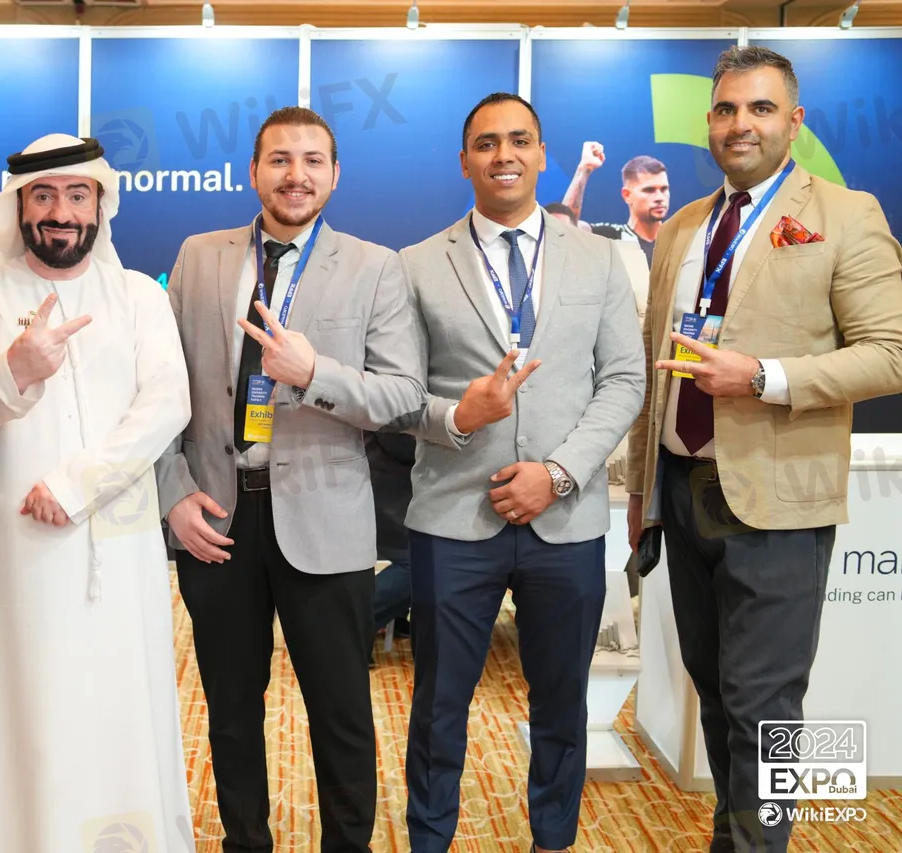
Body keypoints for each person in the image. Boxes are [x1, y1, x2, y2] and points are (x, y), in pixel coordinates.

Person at [626, 46, 902, 853]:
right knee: (716, 694)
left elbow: (890, 352)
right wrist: (644, 494)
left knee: (764, 704)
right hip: (684, 489)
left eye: (759, 108)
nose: (739, 124)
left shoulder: (846, 213)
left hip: (777, 500)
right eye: (725, 109)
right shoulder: (683, 226)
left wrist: (764, 377)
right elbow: (653, 366)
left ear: (795, 121)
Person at [154, 106, 426, 853]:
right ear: (253, 172)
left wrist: (313, 375)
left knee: (341, 712)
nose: (295, 175)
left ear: (335, 175)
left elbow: (404, 395)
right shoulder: (199, 257)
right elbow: (160, 388)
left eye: (312, 161)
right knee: (230, 707)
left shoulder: (374, 267)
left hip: (325, 520)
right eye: (279, 159)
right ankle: (246, 841)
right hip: (216, 517)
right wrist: (172, 491)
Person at [0, 134, 194, 853]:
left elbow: (167, 403)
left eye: (78, 195)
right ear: (19, 208)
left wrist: (76, 485)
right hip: (14, 554)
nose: (61, 212)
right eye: (43, 196)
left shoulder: (139, 296)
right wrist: (15, 370)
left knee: (118, 706)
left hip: (118, 546)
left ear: (99, 206)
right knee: (24, 704)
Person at [398, 92, 645, 853]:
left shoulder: (598, 256)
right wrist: (459, 416)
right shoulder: (416, 264)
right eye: (486, 143)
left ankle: (553, 840)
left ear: (541, 154)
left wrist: (560, 473)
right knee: (439, 707)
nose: (503, 155)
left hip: (565, 522)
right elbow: (400, 395)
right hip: (453, 520)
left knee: (563, 705)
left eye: (519, 141)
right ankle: (430, 840)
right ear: (464, 160)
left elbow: (624, 380)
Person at [563, 142, 670, 266]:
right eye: (649, 190)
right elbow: (564, 229)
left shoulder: (680, 242)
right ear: (627, 195)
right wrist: (584, 168)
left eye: (664, 189)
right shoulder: (611, 239)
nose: (659, 197)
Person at [366, 430, 415, 656]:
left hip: (396, 486)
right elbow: (401, 443)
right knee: (422, 563)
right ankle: (356, 624)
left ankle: (394, 614)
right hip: (385, 491)